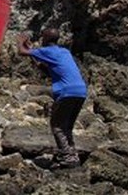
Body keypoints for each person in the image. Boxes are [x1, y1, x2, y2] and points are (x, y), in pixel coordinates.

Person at [18, 28, 87, 169]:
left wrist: (20, 42)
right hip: (80, 91)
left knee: (57, 126)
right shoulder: (64, 52)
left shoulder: (47, 51)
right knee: (67, 126)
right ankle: (71, 154)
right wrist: (33, 51)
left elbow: (22, 52)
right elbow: (44, 67)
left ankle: (67, 156)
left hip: (66, 93)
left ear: (45, 39)